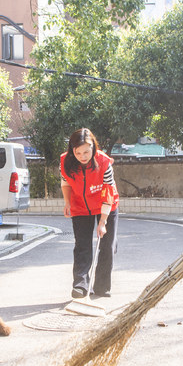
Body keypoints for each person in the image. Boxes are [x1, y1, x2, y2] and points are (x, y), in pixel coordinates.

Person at [60, 128, 119, 299]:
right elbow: (65, 183)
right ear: (72, 150)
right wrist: (67, 202)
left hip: (106, 204)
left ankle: (101, 287)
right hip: (80, 206)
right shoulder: (66, 162)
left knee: (107, 245)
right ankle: (80, 285)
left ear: (94, 147)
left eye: (87, 151)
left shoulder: (104, 162)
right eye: (78, 153)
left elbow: (108, 192)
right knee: (82, 246)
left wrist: (103, 221)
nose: (83, 156)